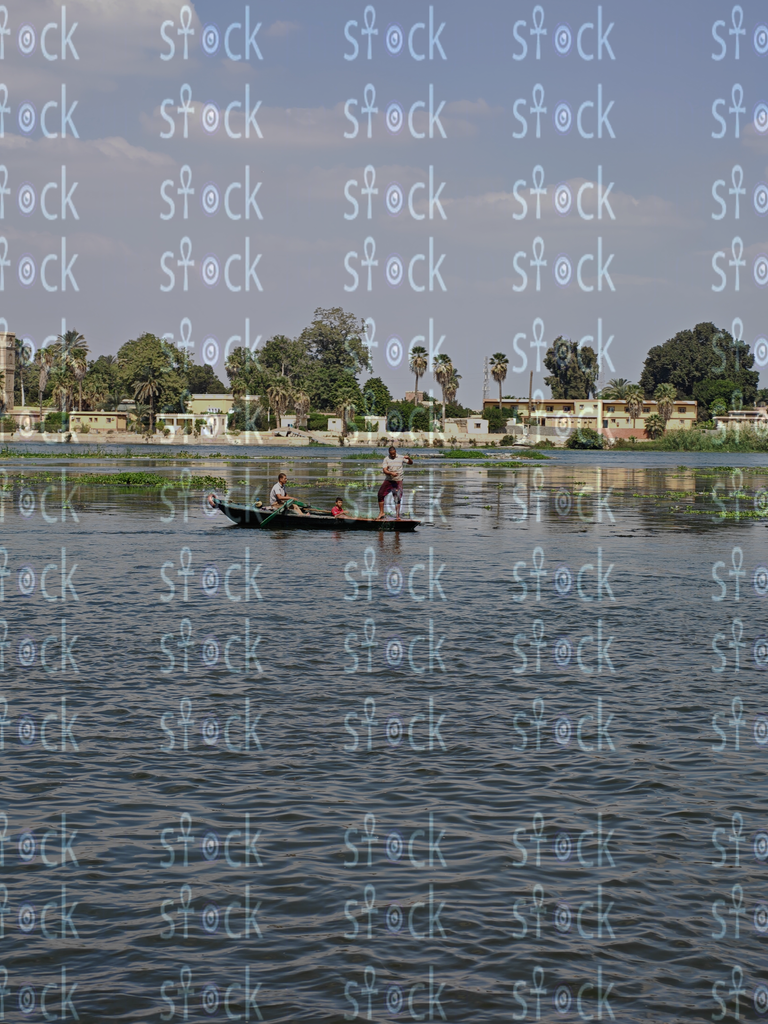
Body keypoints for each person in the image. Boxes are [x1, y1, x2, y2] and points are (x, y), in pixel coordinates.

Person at [377, 444, 413, 520]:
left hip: (398, 481)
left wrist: (409, 458)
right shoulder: (386, 459)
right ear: (389, 453)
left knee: (397, 498)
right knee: (380, 494)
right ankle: (382, 513)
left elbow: (410, 463)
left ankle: (397, 516)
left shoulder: (400, 457)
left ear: (395, 452)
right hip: (389, 480)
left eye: (394, 453)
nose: (393, 455)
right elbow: (385, 470)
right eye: (391, 454)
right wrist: (391, 473)